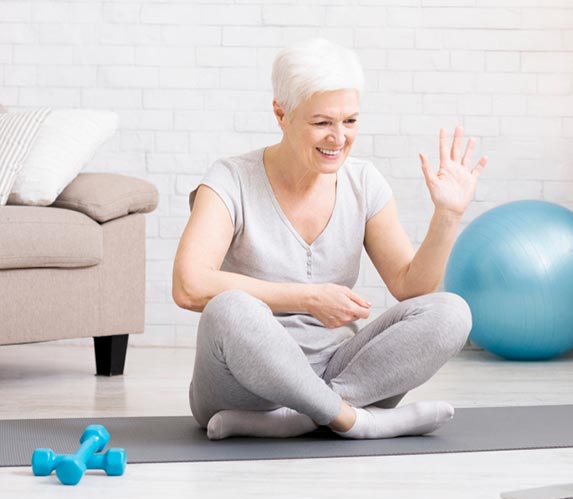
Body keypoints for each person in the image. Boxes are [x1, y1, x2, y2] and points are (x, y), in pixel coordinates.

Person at [172, 38, 488, 441]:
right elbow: (189, 286)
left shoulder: (364, 181)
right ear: (281, 114)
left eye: (350, 121)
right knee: (230, 307)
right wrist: (307, 298)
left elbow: (412, 286)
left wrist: (448, 215)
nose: (338, 138)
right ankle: (354, 421)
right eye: (322, 123)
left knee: (451, 311)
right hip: (243, 387)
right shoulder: (230, 179)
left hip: (339, 370)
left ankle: (305, 416)